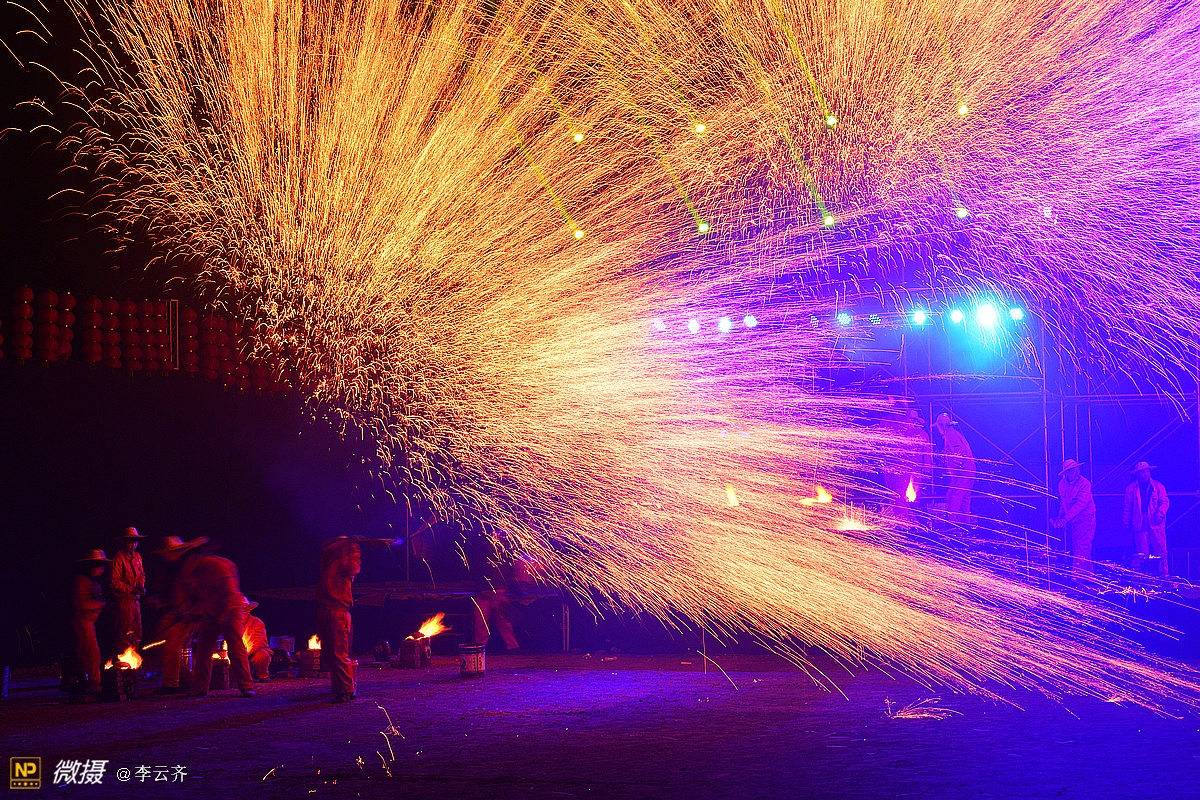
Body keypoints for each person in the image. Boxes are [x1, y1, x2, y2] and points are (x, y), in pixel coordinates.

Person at [178, 539, 255, 698]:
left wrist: (223, 614)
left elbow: (229, 591)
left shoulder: (217, 566)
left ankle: (246, 686)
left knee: (235, 647)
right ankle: (200, 688)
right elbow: (198, 595)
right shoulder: (199, 569)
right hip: (212, 610)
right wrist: (192, 613)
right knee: (204, 648)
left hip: (230, 609)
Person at [152, 536, 205, 695]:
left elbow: (196, 592)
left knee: (172, 649)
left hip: (185, 616)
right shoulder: (175, 568)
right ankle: (186, 681)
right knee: (170, 649)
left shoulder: (187, 567)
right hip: (177, 614)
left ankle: (172, 684)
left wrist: (189, 612)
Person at [317, 537, 362, 702]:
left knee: (338, 653)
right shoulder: (330, 563)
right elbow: (327, 548)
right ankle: (340, 688)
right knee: (328, 654)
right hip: (325, 610)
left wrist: (350, 543)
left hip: (338, 612)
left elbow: (352, 564)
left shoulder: (347, 564)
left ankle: (347, 690)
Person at [70, 550, 110, 699]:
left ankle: (83, 682)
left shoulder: (92, 581)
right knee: (92, 652)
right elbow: (81, 603)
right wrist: (101, 604)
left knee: (85, 652)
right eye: (98, 565)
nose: (101, 569)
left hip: (89, 621)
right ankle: (93, 683)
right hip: (82, 620)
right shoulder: (82, 581)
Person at [1124, 461, 1170, 577]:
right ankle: (1145, 578)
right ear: (1138, 474)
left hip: (1156, 523)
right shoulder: (1131, 489)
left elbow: (1165, 502)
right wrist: (1127, 522)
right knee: (1142, 554)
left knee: (1160, 551)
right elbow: (1128, 507)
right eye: (1142, 472)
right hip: (1139, 523)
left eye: (1147, 471)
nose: (1145, 473)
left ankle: (1164, 576)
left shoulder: (1158, 486)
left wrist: (1159, 515)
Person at [1052, 459, 1096, 577]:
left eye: (1076, 469)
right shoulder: (1062, 485)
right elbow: (1064, 502)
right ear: (1066, 473)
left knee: (1082, 546)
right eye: (1072, 470)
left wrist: (1065, 519)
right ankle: (1089, 576)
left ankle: (1078, 577)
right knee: (1080, 547)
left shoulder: (1085, 483)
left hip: (1086, 519)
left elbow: (1080, 504)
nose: (1076, 472)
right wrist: (1060, 516)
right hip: (1074, 520)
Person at [934, 412, 976, 527]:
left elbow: (959, 453)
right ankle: (964, 522)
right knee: (964, 496)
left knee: (954, 495)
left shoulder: (950, 435)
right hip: (967, 469)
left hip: (963, 470)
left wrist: (957, 468)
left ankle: (951, 522)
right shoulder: (954, 434)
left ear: (941, 426)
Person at [109, 527, 146, 652]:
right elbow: (114, 582)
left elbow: (142, 574)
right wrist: (132, 589)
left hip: (135, 602)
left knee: (137, 633)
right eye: (131, 541)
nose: (133, 544)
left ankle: (134, 659)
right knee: (124, 634)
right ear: (123, 541)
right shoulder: (118, 558)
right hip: (124, 602)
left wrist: (140, 585)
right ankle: (122, 660)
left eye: (135, 541)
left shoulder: (138, 556)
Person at [242, 597, 272, 682]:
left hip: (254, 652)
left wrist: (245, 654)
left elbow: (258, 643)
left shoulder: (257, 623)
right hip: (239, 653)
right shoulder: (232, 624)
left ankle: (263, 675)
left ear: (247, 613)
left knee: (262, 656)